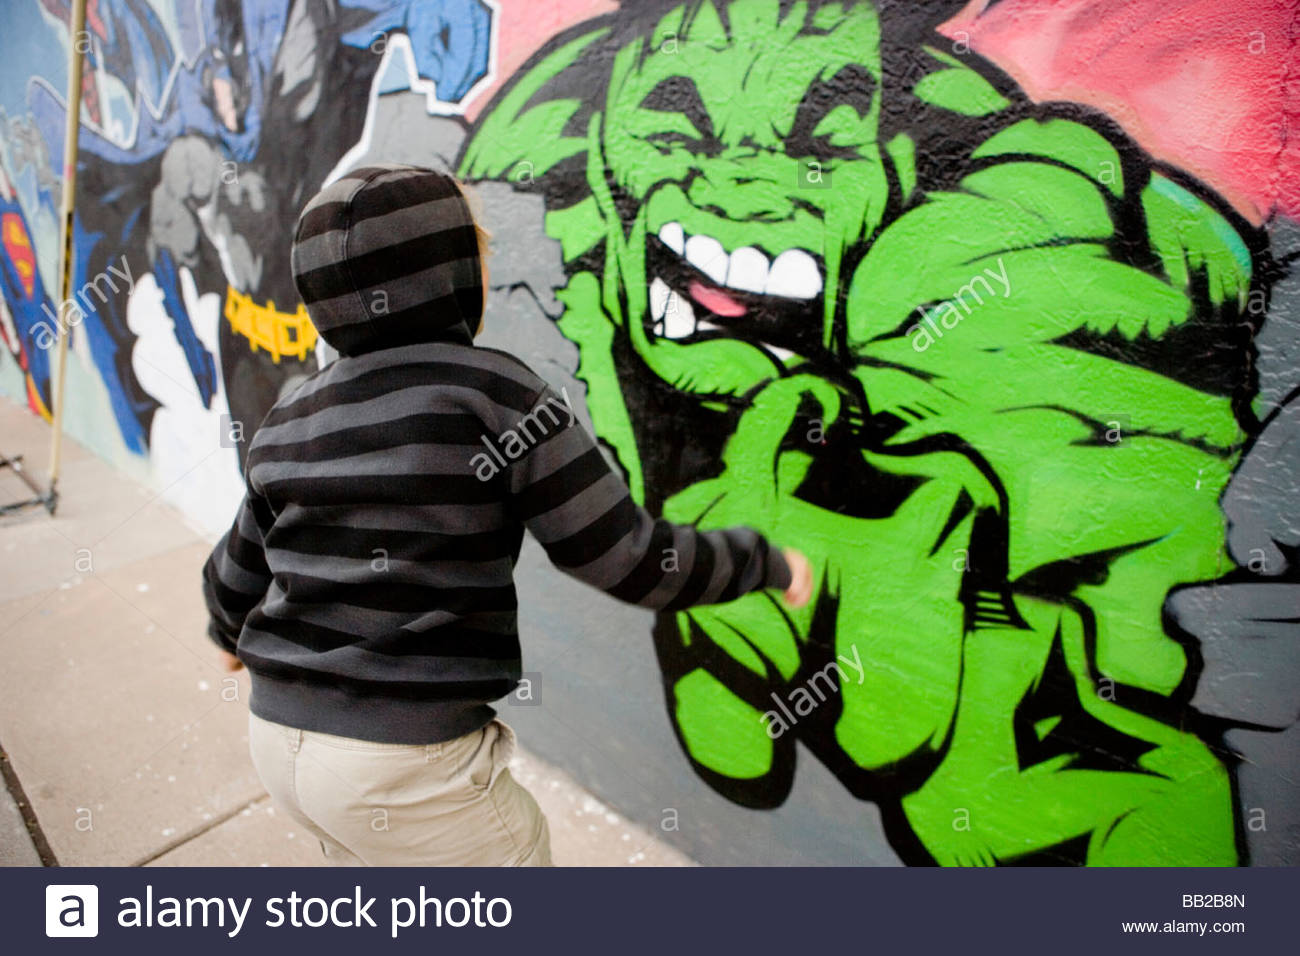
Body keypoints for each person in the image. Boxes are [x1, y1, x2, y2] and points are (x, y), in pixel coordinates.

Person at [201, 163, 813, 867]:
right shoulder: (492, 394)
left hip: (279, 739)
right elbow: (626, 557)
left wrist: (225, 626)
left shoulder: (291, 415)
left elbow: (242, 554)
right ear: (451, 275)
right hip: (405, 766)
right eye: (477, 253)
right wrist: (761, 562)